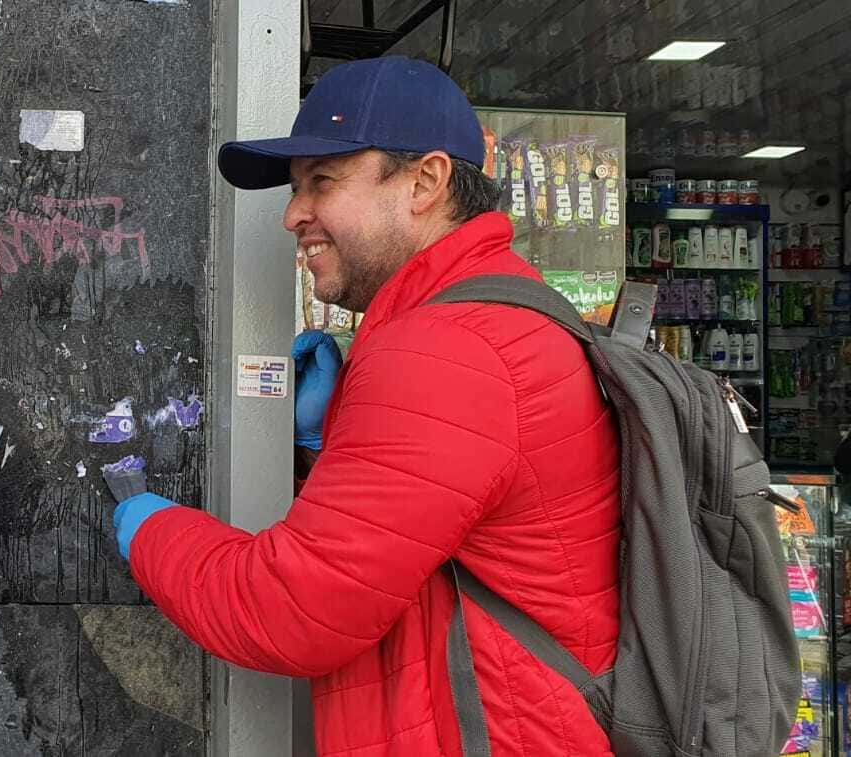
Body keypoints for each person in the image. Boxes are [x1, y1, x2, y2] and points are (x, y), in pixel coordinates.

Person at [112, 56, 622, 755]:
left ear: (426, 181)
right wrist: (324, 451)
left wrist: (148, 528)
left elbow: (289, 610)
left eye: (322, 181)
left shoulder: (448, 349)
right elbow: (429, 547)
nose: (294, 214)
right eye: (295, 188)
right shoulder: (495, 312)